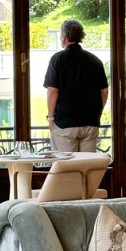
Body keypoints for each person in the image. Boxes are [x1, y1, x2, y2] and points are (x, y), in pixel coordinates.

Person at [44, 20, 109, 152]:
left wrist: (51, 120)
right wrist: (96, 114)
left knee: (65, 163)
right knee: (86, 163)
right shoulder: (95, 60)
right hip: (90, 123)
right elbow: (104, 91)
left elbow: (52, 91)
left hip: (64, 124)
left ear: (64, 36)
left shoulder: (57, 59)